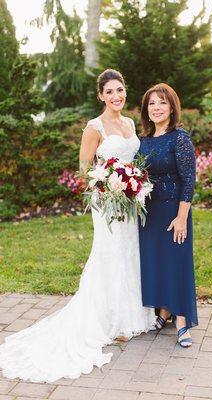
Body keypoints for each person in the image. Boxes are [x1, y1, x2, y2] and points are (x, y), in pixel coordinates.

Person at [0, 69, 155, 383]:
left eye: (120, 90)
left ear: (126, 91)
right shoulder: (94, 127)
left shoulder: (128, 123)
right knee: (110, 253)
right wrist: (109, 186)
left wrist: (133, 184)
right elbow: (85, 169)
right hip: (107, 202)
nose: (116, 96)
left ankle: (132, 316)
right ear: (100, 96)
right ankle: (109, 321)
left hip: (130, 200)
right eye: (109, 92)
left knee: (130, 252)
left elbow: (131, 159)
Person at [138, 83, 198, 347]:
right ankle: (163, 310)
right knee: (157, 262)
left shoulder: (180, 138)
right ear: (146, 109)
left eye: (162, 102)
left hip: (174, 211)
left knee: (177, 263)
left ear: (172, 107)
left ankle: (182, 322)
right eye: (152, 103)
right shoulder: (143, 141)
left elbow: (189, 180)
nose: (157, 108)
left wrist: (182, 217)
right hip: (149, 212)